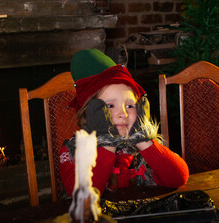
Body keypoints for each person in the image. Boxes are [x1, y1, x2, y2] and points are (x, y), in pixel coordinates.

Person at [59, 49, 189, 197]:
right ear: (89, 114)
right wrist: (107, 141)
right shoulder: (71, 151)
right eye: (110, 106)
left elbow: (178, 178)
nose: (124, 114)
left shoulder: (140, 148)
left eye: (130, 105)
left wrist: (142, 139)